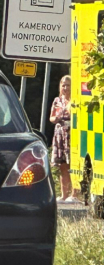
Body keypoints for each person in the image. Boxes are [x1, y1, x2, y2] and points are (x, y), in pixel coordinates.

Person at [50, 75, 78, 203]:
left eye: (68, 85)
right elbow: (51, 117)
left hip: (72, 133)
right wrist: (54, 119)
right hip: (60, 134)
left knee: (74, 165)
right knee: (63, 166)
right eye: (63, 85)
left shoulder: (76, 99)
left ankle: (75, 194)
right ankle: (64, 195)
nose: (65, 87)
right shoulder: (57, 100)